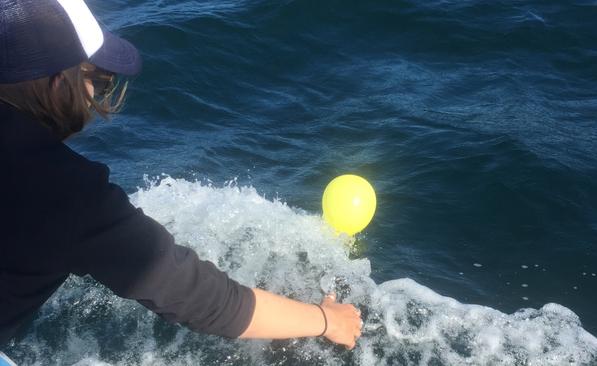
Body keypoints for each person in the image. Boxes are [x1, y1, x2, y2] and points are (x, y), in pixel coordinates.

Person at [0, 0, 362, 362]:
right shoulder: (67, 193)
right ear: (59, 84)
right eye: (97, 78)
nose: (99, 92)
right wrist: (327, 320)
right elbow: (202, 298)